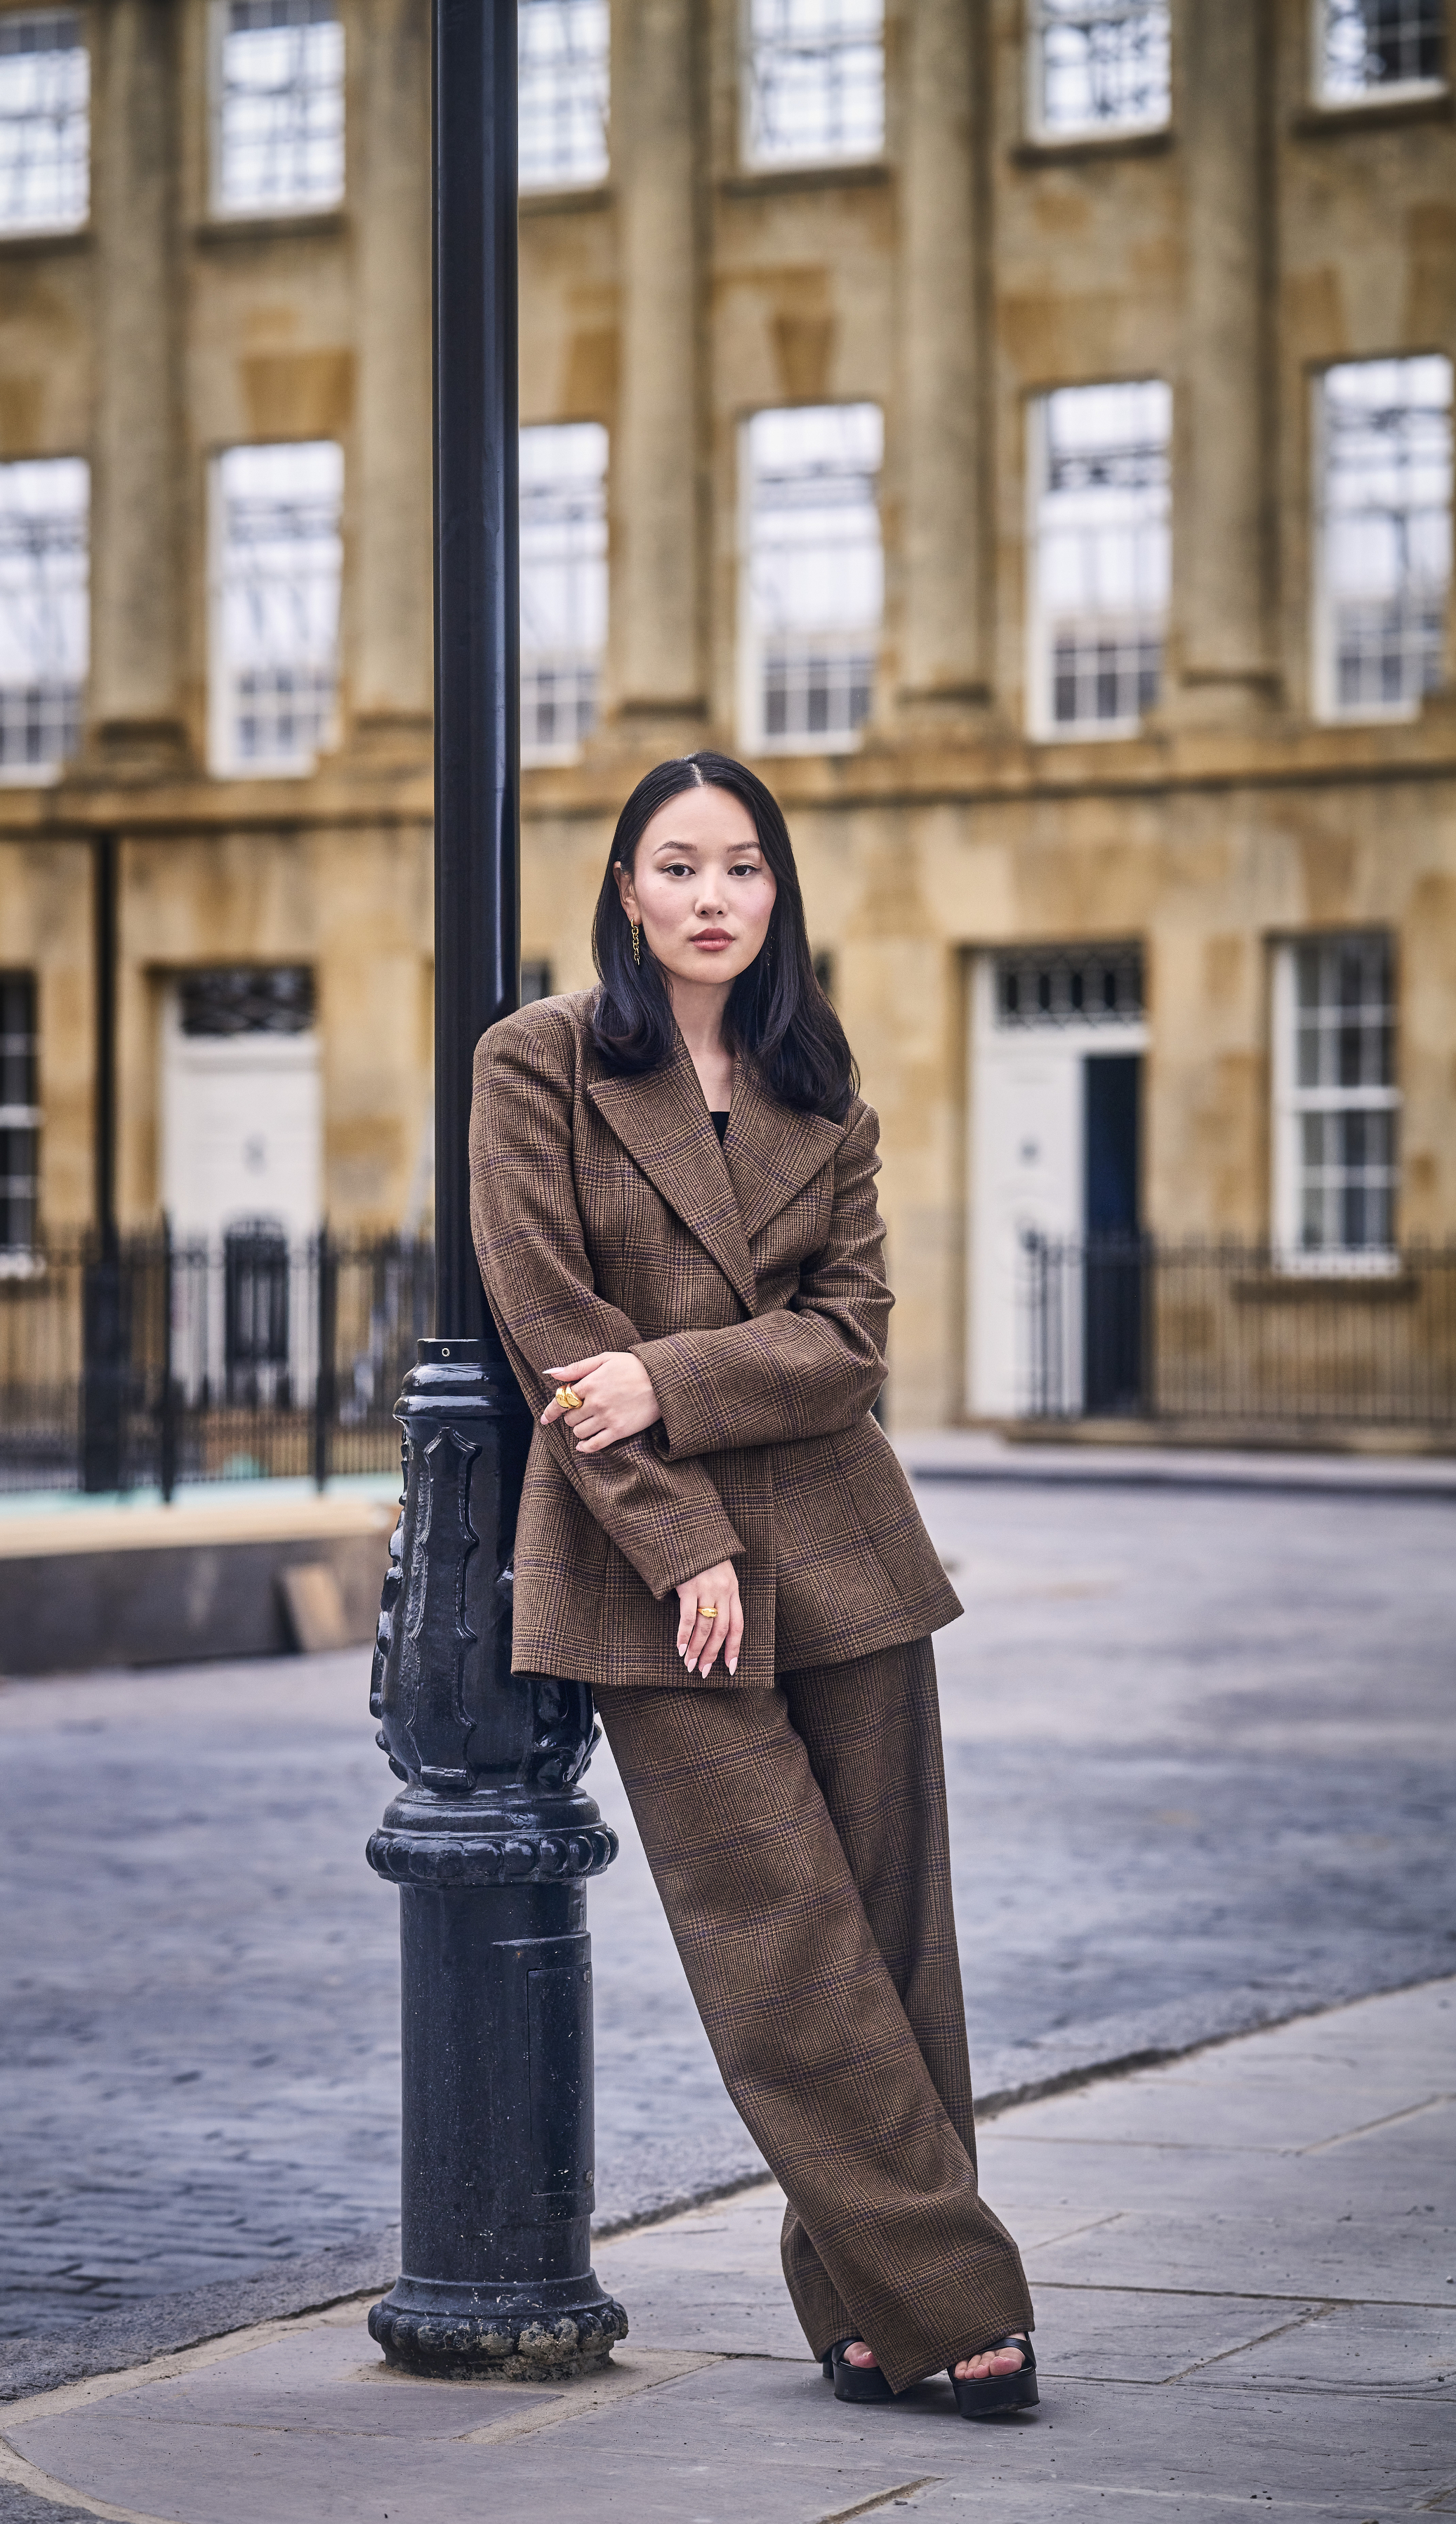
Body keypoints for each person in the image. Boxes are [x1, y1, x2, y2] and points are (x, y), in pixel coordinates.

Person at [468, 751, 1037, 2414]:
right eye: (678, 867)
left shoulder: (822, 1087)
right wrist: (680, 1528)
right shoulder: (539, 1064)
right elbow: (548, 1327)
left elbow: (849, 1347)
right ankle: (952, 2301)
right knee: (779, 1944)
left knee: (890, 1938)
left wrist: (670, 1376)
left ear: (776, 895)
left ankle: (864, 2302)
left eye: (744, 869)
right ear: (627, 891)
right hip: (652, 1568)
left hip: (847, 1551)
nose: (713, 898)